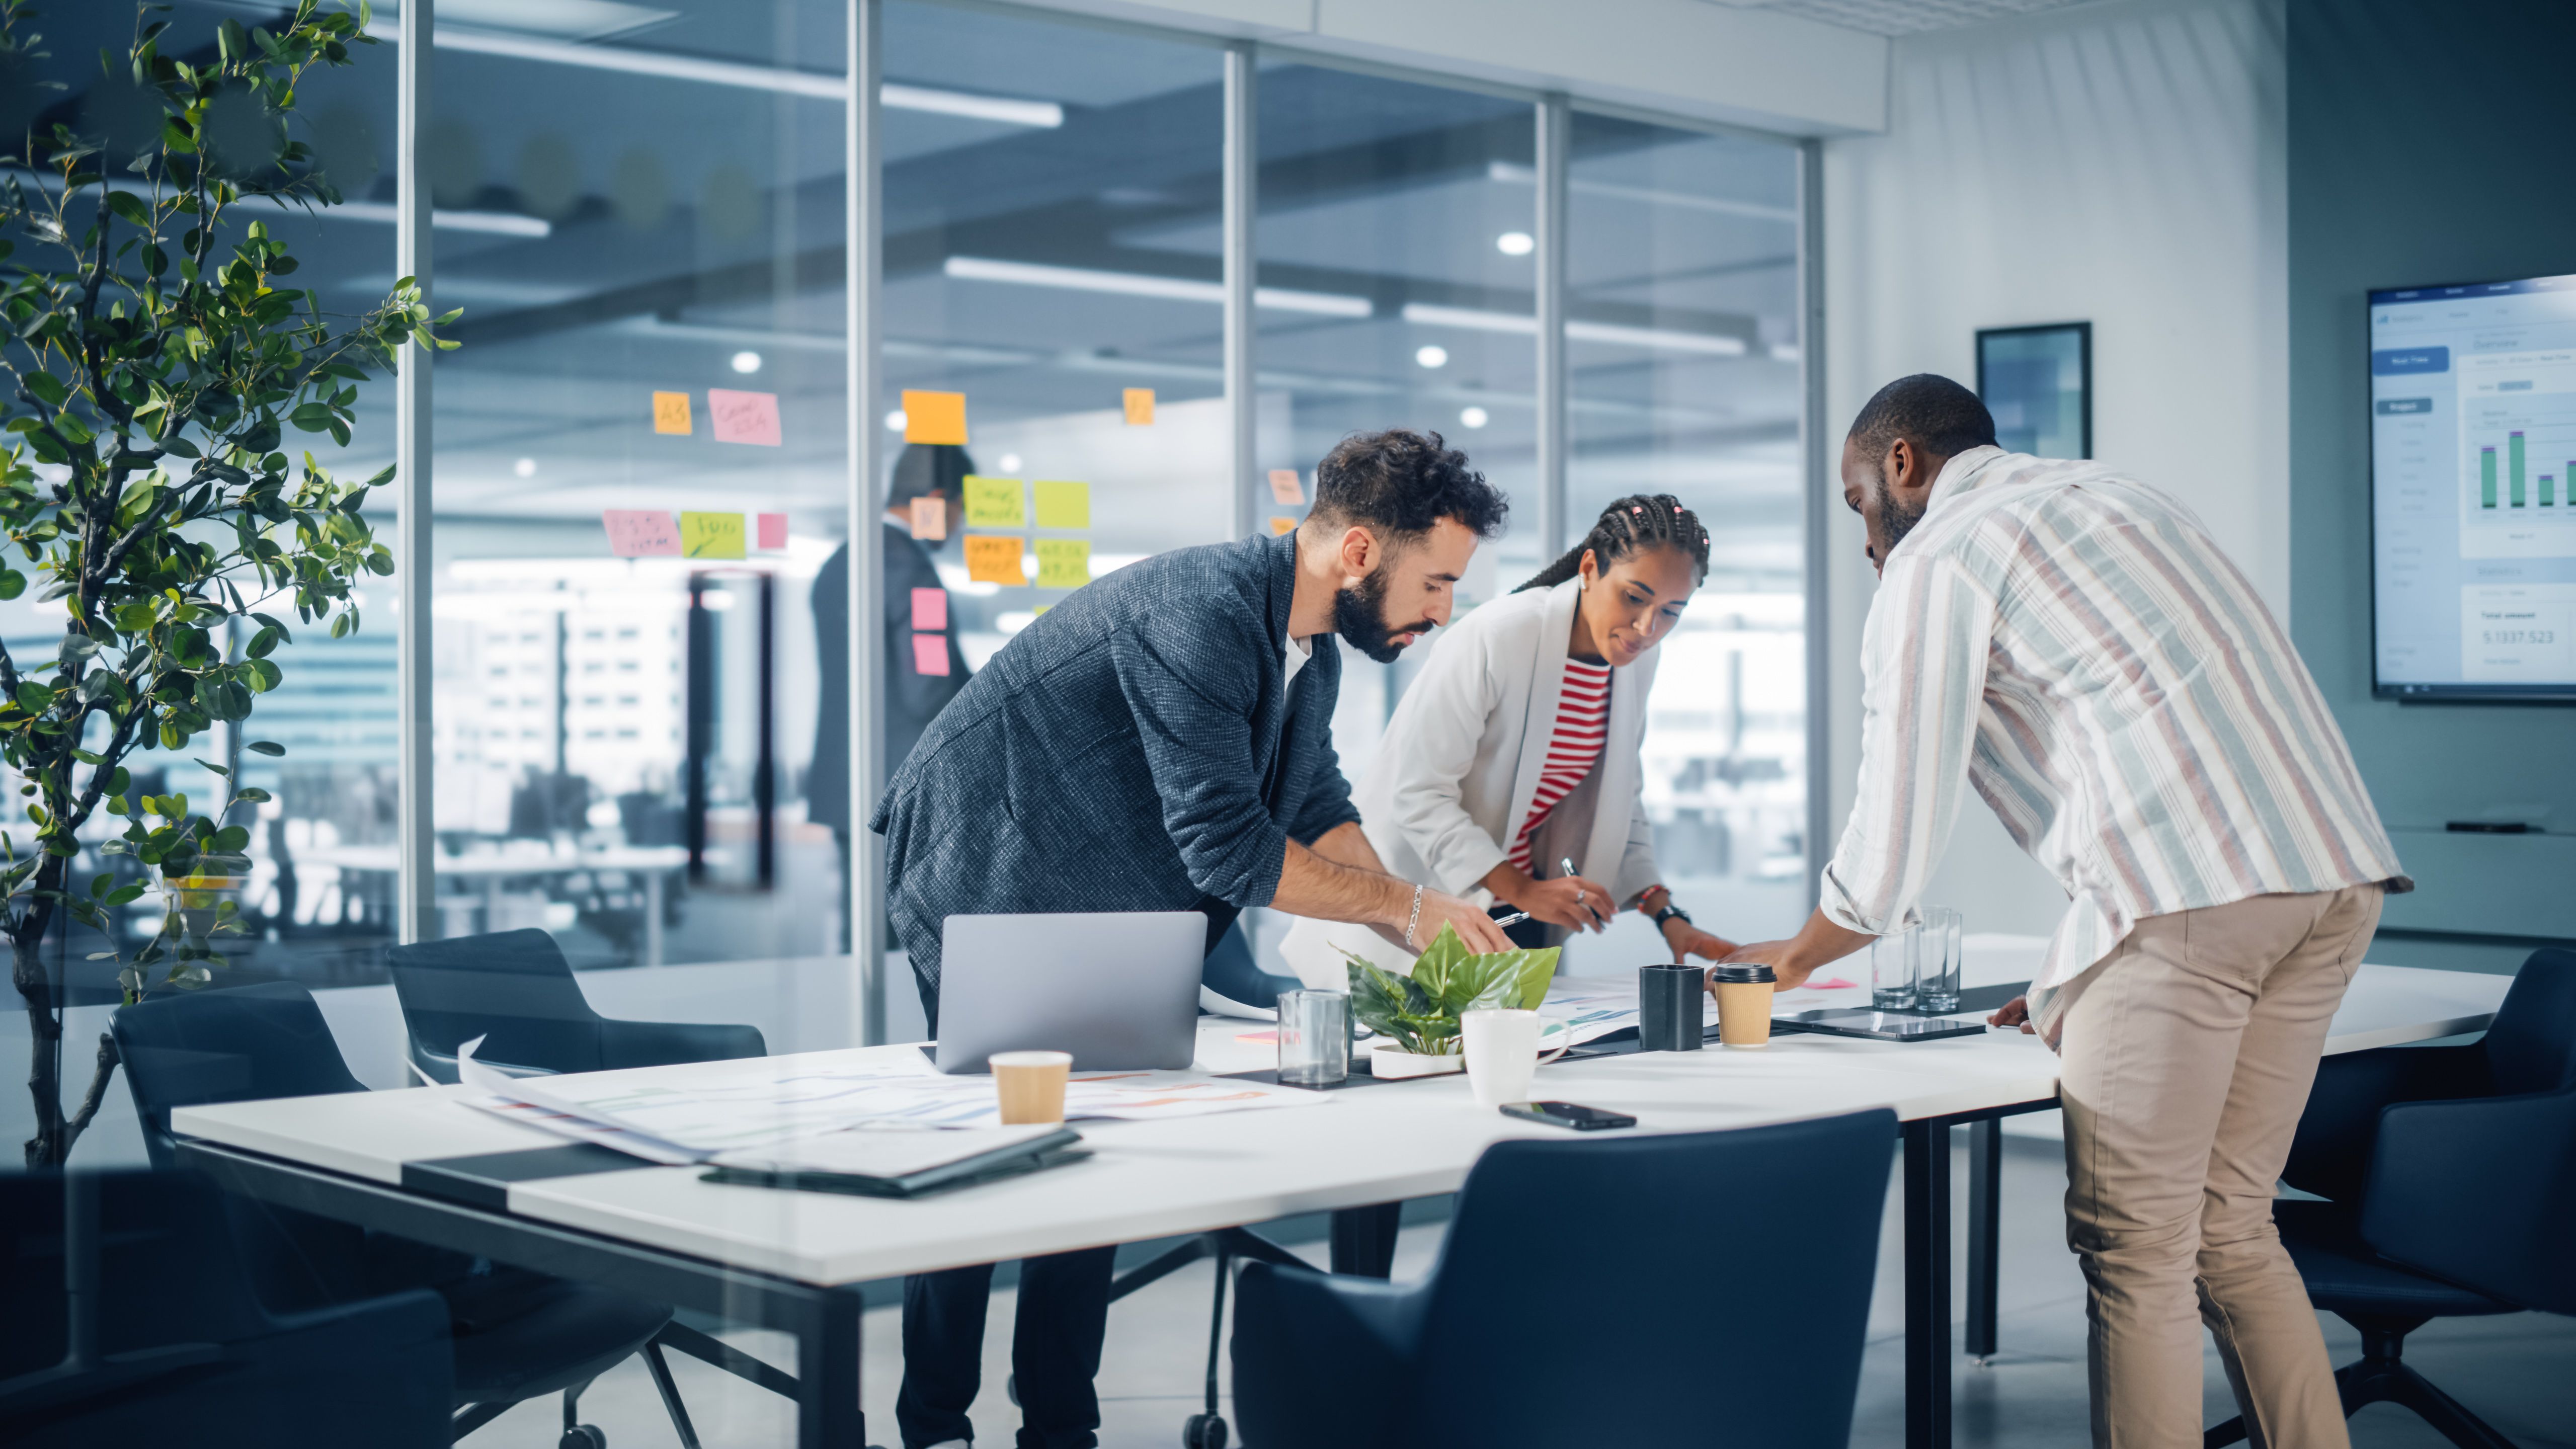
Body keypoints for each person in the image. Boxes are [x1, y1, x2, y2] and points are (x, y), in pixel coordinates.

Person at [1722, 375, 2407, 1449]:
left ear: (1901, 463)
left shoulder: (1939, 554)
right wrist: (2080, 979)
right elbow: (2147, 752)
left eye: (1858, 502)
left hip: (2192, 904)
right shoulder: (2123, 499)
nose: (1866, 541)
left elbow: (1899, 803)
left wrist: (1803, 955)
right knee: (2231, 1230)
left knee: (2135, 1251)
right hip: (2331, 880)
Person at [869, 427, 1514, 1449]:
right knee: (990, 1153)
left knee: (1091, 1145)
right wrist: (1404, 911)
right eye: (1434, 584)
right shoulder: (1206, 609)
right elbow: (1226, 848)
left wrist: (1425, 917)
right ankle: (934, 1422)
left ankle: (1058, 1424)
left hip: (1100, 890)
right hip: (986, 867)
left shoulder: (1308, 650)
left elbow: (1310, 801)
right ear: (1358, 556)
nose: (1442, 613)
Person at [1282, 493, 1740, 981]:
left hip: (1517, 914)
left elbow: (1621, 797)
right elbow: (1419, 794)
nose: (1647, 628)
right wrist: (1521, 889)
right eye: (1634, 597)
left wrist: (1665, 914)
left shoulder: (1634, 661)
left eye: (1672, 611)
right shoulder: (1500, 635)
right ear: (1588, 568)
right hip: (1424, 907)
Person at [811, 443, 973, 944]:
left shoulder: (841, 561)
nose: (960, 527)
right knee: (906, 943)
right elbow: (928, 687)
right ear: (939, 500)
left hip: (849, 787)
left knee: (861, 934)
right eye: (961, 512)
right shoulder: (911, 571)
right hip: (906, 794)